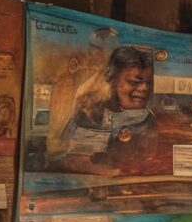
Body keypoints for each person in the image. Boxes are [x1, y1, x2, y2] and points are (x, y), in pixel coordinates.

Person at [55, 45, 160, 175]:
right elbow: (68, 156)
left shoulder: (147, 121)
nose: (144, 88)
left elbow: (147, 162)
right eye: (134, 82)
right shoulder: (87, 115)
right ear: (113, 80)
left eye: (148, 83)